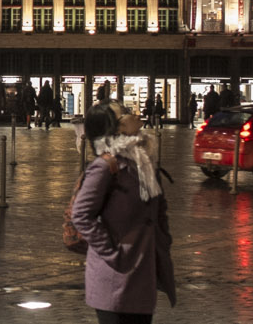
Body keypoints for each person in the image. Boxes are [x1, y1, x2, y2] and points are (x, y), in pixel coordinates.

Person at [70, 101, 175, 324]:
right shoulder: (107, 166)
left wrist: (163, 240)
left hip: (143, 274)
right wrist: (112, 253)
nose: (134, 114)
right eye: (125, 113)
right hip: (115, 278)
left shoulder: (143, 161)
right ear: (116, 128)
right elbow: (80, 214)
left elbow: (159, 209)